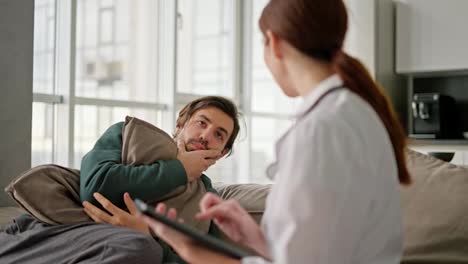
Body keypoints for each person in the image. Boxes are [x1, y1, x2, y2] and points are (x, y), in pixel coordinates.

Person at [138, 0, 412, 263]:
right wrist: (257, 238)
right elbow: (325, 248)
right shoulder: (356, 112)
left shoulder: (321, 129)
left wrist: (187, 248)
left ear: (275, 43)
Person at [80, 95, 241, 263]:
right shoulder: (128, 133)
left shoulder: (209, 201)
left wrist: (148, 238)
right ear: (181, 125)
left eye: (219, 135)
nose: (206, 136)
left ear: (222, 153)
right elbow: (94, 189)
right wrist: (181, 169)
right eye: (201, 123)